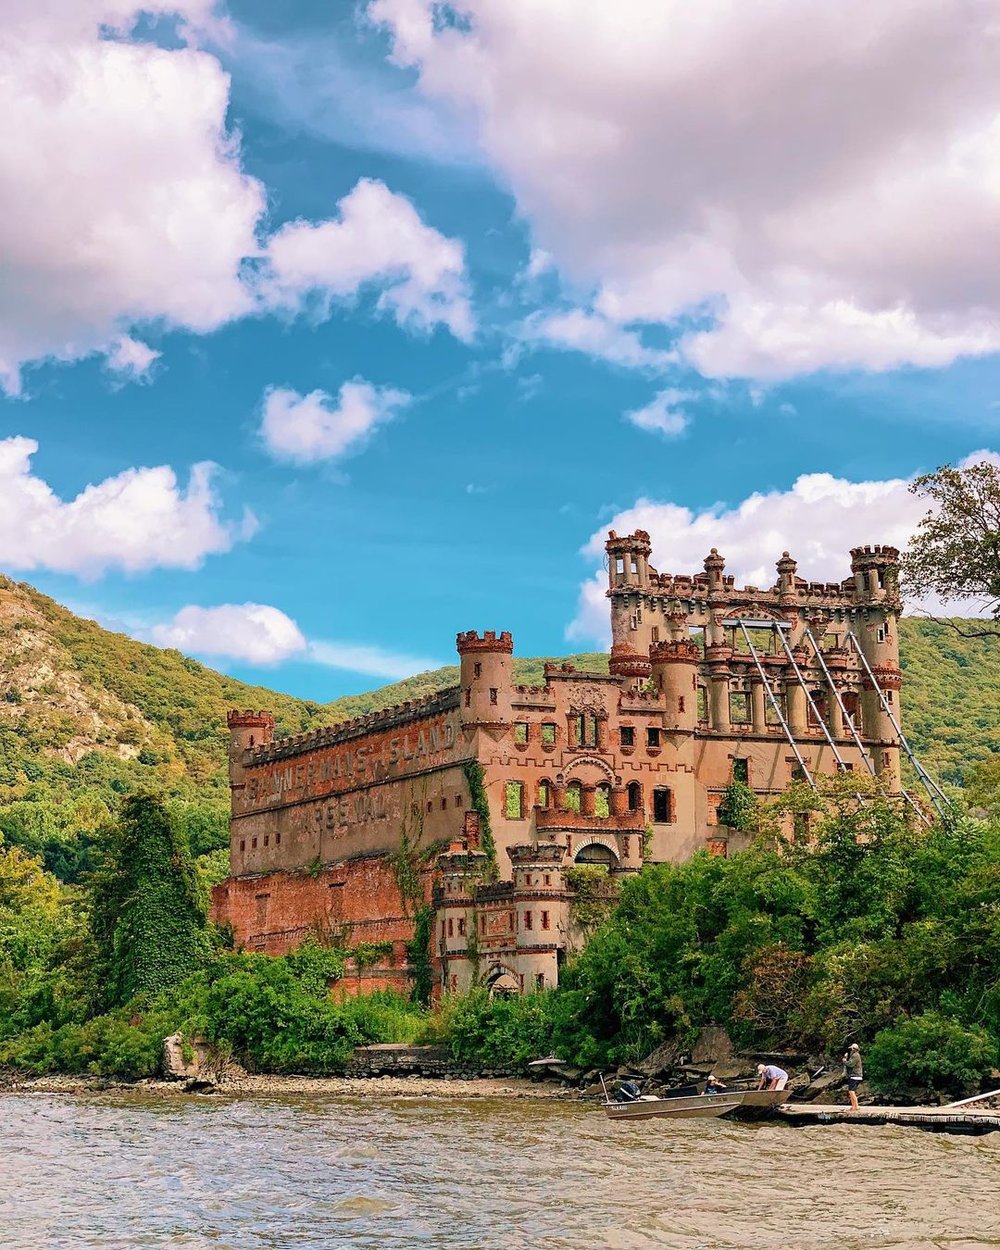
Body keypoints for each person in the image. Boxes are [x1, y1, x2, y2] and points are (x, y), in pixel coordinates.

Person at [843, 1043, 864, 1110]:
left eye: (851, 1049)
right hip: (854, 1076)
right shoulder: (855, 1055)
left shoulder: (855, 1055)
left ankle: (856, 1106)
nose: (850, 1050)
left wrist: (844, 1060)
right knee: (850, 1091)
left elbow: (850, 1064)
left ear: (853, 1049)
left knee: (852, 1091)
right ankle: (853, 1106)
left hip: (855, 1076)